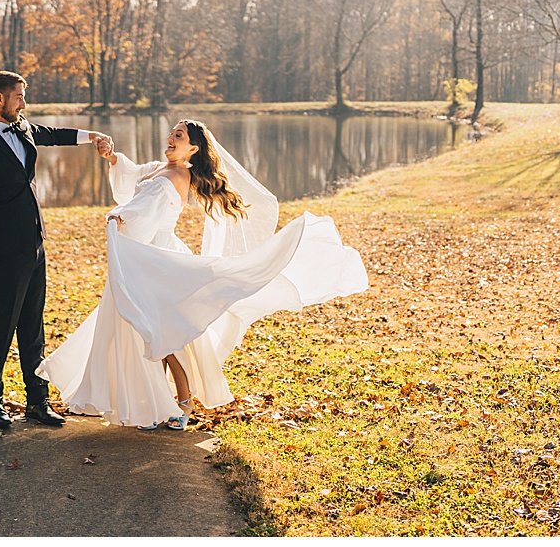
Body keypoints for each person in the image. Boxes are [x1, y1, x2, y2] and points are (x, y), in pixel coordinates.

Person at [37, 119, 369, 430]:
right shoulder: (162, 169)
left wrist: (121, 216)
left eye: (179, 136)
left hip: (157, 260)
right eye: (172, 132)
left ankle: (182, 404)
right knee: (151, 330)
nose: (171, 137)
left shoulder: (173, 178)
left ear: (193, 149)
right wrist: (113, 160)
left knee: (159, 332)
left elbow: (144, 209)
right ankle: (164, 403)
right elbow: (135, 176)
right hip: (149, 256)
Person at [0, 70, 110, 430]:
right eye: (19, 97)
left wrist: (93, 136)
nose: (24, 103)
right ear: (0, 100)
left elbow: (52, 135)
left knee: (33, 325)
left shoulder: (23, 127)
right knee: (3, 324)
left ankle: (37, 401)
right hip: (1, 249)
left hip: (33, 243)